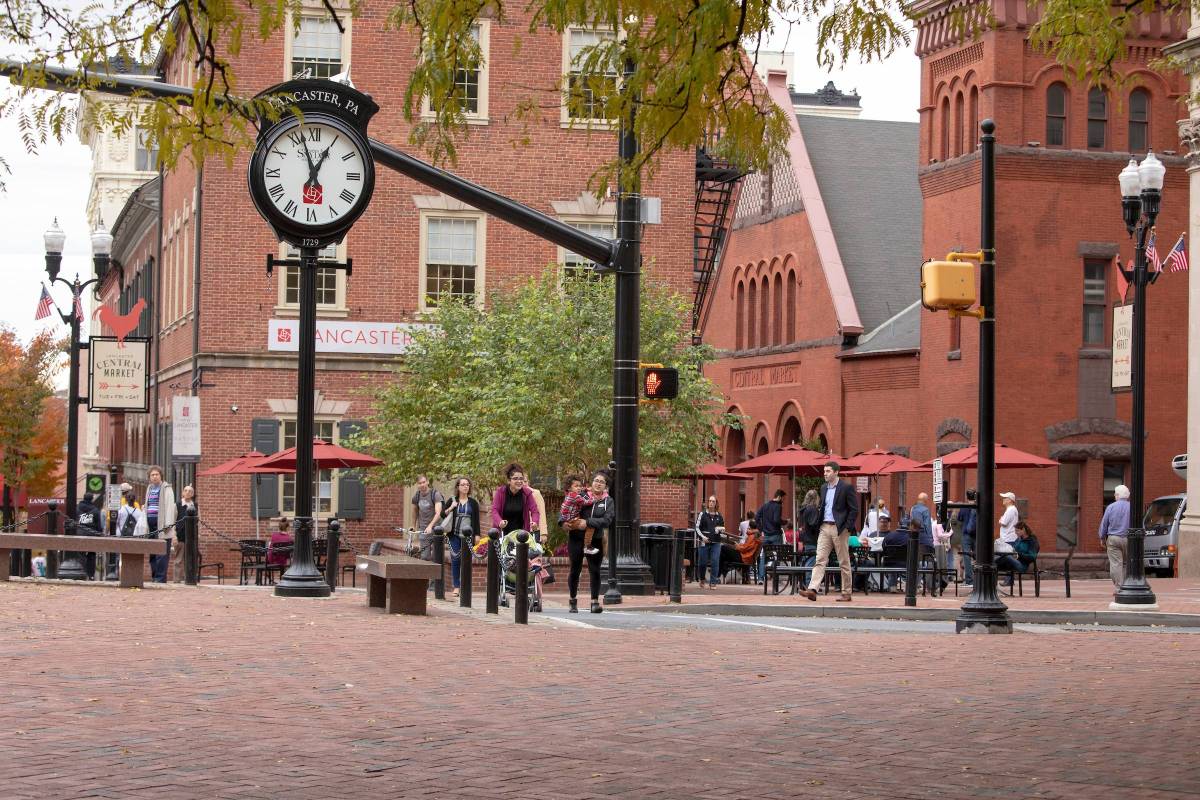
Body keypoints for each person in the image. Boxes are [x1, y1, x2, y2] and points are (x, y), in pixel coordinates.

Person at [801, 462, 858, 602]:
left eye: (828, 471)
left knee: (843, 561)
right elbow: (824, 506)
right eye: (824, 471)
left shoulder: (846, 488)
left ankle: (846, 592)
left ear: (836, 472)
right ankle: (813, 589)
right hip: (824, 527)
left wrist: (847, 527)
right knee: (820, 559)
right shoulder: (823, 488)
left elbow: (854, 509)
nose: (825, 473)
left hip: (840, 529)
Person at [562, 471, 613, 613]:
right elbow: (566, 507)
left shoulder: (608, 501)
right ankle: (572, 600)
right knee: (575, 569)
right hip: (576, 538)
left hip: (595, 539)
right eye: (596, 480)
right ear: (592, 482)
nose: (598, 483)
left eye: (601, 482)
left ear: (605, 486)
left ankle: (594, 602)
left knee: (595, 570)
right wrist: (563, 523)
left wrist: (588, 522)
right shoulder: (582, 495)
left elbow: (607, 520)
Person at [439, 477, 480, 597]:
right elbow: (442, 514)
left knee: (466, 561)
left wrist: (477, 535)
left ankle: (465, 585)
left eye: (467, 485)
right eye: (463, 485)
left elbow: (476, 520)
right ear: (458, 487)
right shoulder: (452, 500)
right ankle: (456, 586)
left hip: (468, 536)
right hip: (454, 535)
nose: (465, 487)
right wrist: (452, 507)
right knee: (455, 560)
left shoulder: (473, 503)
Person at [490, 463, 541, 540]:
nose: (519, 481)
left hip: (521, 535)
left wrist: (535, 522)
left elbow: (535, 511)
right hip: (502, 533)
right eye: (515, 478)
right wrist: (499, 521)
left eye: (521, 478)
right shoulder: (501, 492)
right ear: (509, 480)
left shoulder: (526, 493)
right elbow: (494, 510)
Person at [145, 465, 177, 583]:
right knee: (152, 554)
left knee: (162, 555)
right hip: (150, 526)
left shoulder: (167, 488)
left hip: (162, 527)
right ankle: (154, 577)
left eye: (156, 474)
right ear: (149, 477)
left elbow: (169, 507)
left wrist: (168, 525)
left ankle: (160, 578)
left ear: (161, 476)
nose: (154, 477)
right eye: (152, 475)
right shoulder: (149, 488)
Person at [1099, 484, 1131, 587]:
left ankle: (1119, 587)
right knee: (1126, 564)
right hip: (1129, 538)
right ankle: (1126, 586)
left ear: (1117, 495)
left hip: (1113, 538)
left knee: (1116, 564)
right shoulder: (1133, 507)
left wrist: (1102, 537)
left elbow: (1104, 524)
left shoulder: (1111, 507)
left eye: (1115, 494)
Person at [755, 488, 785, 584]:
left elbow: (757, 517)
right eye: (783, 498)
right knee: (777, 555)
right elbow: (776, 520)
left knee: (764, 555)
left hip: (766, 535)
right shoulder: (778, 506)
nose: (783, 501)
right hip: (776, 534)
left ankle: (761, 578)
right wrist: (785, 522)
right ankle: (775, 575)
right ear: (779, 497)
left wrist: (761, 529)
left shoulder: (765, 505)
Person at [412, 476, 444, 561]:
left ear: (427, 482)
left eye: (423, 482)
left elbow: (438, 513)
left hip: (436, 529)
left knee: (436, 557)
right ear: (417, 485)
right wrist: (413, 525)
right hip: (423, 529)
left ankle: (436, 574)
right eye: (420, 483)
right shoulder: (417, 495)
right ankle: (427, 574)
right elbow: (415, 511)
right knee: (425, 557)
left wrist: (430, 526)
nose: (422, 485)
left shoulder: (435, 494)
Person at [696, 495, 724, 589]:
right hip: (704, 542)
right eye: (710, 501)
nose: (711, 503)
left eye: (713, 501)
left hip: (716, 542)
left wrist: (721, 529)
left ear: (716, 503)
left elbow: (722, 527)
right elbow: (697, 528)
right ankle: (702, 579)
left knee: (715, 561)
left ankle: (713, 582)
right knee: (702, 562)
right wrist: (702, 537)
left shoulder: (719, 516)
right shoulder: (702, 514)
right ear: (708, 503)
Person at [75, 491, 104, 580]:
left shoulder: (77, 509)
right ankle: (91, 575)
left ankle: (82, 573)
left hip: (79, 533)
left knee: (81, 555)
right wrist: (99, 534)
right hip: (92, 535)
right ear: (92, 499)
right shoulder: (95, 510)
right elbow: (99, 526)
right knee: (91, 554)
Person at [171, 485, 196, 583]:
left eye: (190, 491)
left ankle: (189, 579)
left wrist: (198, 536)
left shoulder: (195, 506)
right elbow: (173, 521)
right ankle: (177, 580)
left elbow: (199, 521)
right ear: (182, 493)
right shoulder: (177, 505)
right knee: (178, 559)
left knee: (189, 559)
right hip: (180, 536)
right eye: (185, 490)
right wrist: (174, 535)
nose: (188, 492)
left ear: (193, 494)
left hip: (191, 537)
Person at [958, 488, 978, 586]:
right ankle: (979, 578)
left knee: (966, 556)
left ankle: (969, 580)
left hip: (966, 534)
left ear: (967, 496)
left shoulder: (964, 507)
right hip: (977, 534)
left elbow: (960, 519)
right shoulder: (978, 506)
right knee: (978, 556)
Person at [799, 489, 821, 563]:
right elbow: (813, 524)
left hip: (805, 540)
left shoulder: (803, 509)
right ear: (816, 498)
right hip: (812, 540)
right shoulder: (813, 509)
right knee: (811, 566)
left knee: (807, 563)